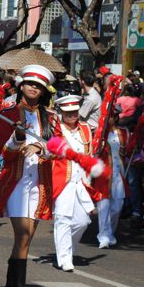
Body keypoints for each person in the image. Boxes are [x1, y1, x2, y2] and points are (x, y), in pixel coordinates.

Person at [0, 64, 57, 287]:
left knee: (27, 238)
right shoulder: (8, 112)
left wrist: (42, 148)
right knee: (23, 234)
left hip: (40, 182)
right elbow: (1, 153)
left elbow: (58, 148)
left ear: (43, 91)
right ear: (21, 85)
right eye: (30, 83)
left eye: (39, 86)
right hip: (17, 181)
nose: (33, 88)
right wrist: (18, 138)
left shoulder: (51, 116)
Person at [51, 94, 98, 271]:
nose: (72, 115)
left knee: (83, 221)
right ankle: (64, 258)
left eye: (75, 112)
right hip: (63, 180)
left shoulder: (85, 128)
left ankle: (66, 248)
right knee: (63, 219)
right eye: (68, 113)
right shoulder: (56, 129)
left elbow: (90, 153)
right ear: (61, 113)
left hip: (81, 181)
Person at [93, 110, 128, 248]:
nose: (109, 119)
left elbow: (126, 152)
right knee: (103, 206)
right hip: (104, 174)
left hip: (118, 174)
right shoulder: (99, 133)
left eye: (111, 117)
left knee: (117, 206)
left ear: (116, 117)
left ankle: (110, 233)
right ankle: (103, 237)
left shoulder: (123, 133)